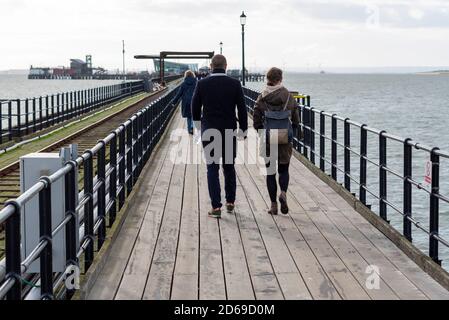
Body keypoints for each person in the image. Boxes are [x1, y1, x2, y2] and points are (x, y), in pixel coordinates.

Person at [191, 55, 248, 219]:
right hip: (229, 130)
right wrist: (243, 130)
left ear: (211, 66)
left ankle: (216, 207)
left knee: (212, 168)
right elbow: (242, 109)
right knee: (229, 167)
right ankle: (230, 202)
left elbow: (194, 107)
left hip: (209, 130)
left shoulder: (202, 84)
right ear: (226, 66)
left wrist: (198, 127)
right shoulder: (235, 84)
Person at [253, 67, 300, 215]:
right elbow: (295, 118)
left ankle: (273, 205)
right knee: (284, 169)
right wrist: (294, 129)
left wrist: (261, 130)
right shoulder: (287, 95)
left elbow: (256, 117)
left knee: (270, 172)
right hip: (285, 137)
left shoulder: (262, 96)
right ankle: (284, 193)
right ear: (280, 79)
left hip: (268, 138)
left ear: (268, 79)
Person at [172, 70, 198, 134]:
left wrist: (174, 102)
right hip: (194, 102)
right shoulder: (196, 83)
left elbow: (179, 94)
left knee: (189, 117)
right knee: (193, 116)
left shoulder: (183, 84)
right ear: (193, 75)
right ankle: (192, 126)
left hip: (186, 103)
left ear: (185, 76)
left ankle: (190, 129)